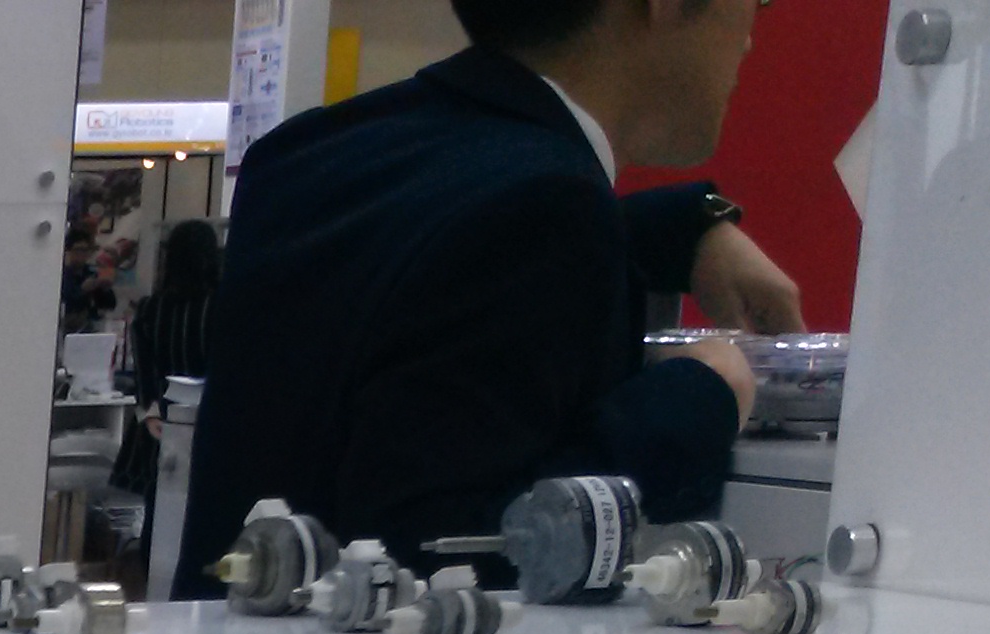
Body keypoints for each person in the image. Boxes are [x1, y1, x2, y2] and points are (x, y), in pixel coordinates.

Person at [174, 0, 801, 598]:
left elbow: (419, 264)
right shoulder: (544, 204)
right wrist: (701, 395)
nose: (751, 36)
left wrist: (683, 228)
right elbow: (451, 552)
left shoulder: (305, 152)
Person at [114, 217, 221, 501]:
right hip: (210, 422)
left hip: (162, 419)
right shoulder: (222, 309)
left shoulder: (151, 309)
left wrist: (150, 412)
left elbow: (144, 373)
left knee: (158, 509)